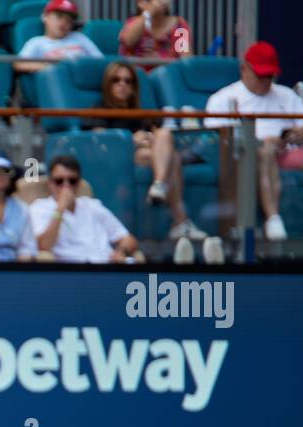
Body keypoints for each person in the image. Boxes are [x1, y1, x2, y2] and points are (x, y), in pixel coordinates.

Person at [204, 41, 303, 241]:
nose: (266, 81)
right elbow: (217, 138)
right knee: (266, 151)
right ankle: (273, 218)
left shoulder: (285, 94)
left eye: (270, 75)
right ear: (244, 69)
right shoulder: (223, 98)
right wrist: (260, 142)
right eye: (261, 75)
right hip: (248, 158)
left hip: (287, 152)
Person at [83, 60, 205, 240]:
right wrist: (132, 140)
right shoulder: (99, 108)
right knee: (174, 158)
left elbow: (159, 137)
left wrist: (150, 140)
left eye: (128, 81)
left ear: (133, 87)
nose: (122, 85)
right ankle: (180, 221)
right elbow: (102, 143)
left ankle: (159, 186)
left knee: (164, 135)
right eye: (116, 80)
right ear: (108, 84)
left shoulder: (138, 112)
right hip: (118, 158)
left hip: (145, 155)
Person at [29, 155, 137, 262]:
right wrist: (60, 209)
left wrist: (121, 252)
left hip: (106, 267)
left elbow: (128, 239)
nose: (66, 186)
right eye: (59, 181)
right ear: (50, 183)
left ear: (79, 183)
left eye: (72, 181)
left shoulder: (93, 205)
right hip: (73, 272)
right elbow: (43, 246)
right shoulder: (40, 207)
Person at [15, 0, 101, 75]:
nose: (63, 22)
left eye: (69, 20)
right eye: (59, 16)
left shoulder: (80, 37)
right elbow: (19, 64)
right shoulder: (36, 42)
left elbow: (100, 61)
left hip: (84, 77)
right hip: (59, 82)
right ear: (45, 17)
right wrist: (50, 66)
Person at [118, 0, 191, 67]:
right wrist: (149, 12)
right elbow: (128, 41)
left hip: (168, 76)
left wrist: (160, 61)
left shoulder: (179, 26)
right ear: (140, 3)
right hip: (137, 77)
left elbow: (186, 61)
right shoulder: (133, 23)